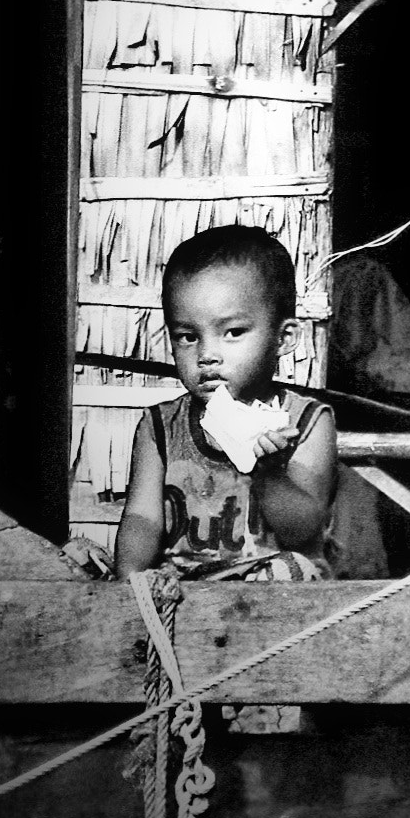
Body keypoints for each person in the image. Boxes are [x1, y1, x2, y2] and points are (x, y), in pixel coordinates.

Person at [115, 225, 337, 581]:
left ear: (284, 338)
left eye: (232, 333)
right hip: (188, 587)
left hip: (276, 593)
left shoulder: (306, 421)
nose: (207, 355)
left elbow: (303, 532)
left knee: (288, 571)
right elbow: (142, 518)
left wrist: (268, 473)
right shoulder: (160, 426)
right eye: (187, 337)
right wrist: (131, 576)